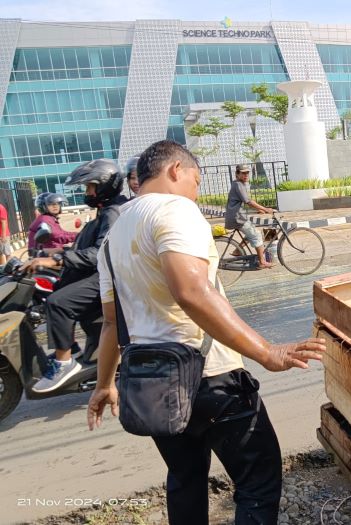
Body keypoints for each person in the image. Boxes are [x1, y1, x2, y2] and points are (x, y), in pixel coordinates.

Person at [86, 140, 325, 524]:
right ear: (176, 170)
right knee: (257, 479)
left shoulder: (112, 240)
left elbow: (113, 322)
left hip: (154, 386)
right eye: (196, 181)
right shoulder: (175, 208)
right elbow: (192, 290)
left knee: (185, 477)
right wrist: (267, 352)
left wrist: (104, 384)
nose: (197, 192)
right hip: (212, 379)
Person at [22, 159, 128, 393]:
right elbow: (87, 244)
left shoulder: (113, 212)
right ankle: (77, 352)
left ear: (104, 186)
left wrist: (58, 259)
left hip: (109, 277)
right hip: (101, 273)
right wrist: (55, 252)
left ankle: (63, 362)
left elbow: (100, 253)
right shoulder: (105, 210)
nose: (87, 191)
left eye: (90, 186)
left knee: (58, 303)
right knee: (56, 289)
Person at [224, 164, 275, 269]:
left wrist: (259, 209)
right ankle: (262, 262)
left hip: (235, 216)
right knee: (256, 235)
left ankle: (238, 250)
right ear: (237, 174)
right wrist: (266, 209)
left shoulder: (238, 184)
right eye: (243, 173)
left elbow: (242, 201)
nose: (246, 175)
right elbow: (248, 201)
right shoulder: (238, 185)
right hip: (237, 218)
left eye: (247, 173)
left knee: (251, 231)